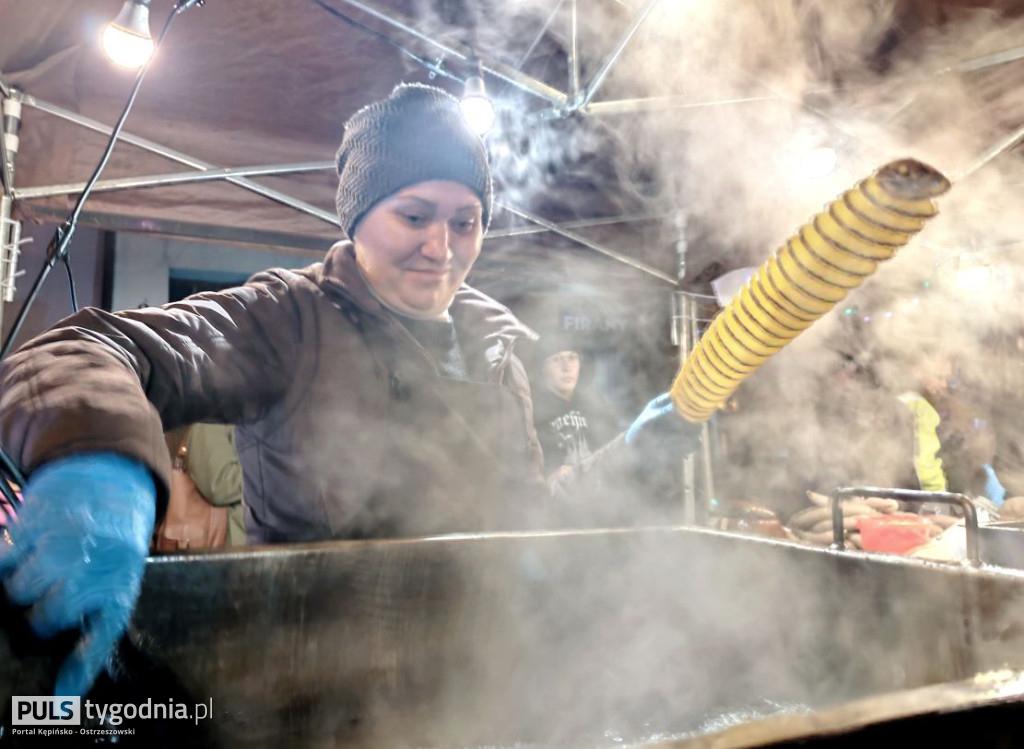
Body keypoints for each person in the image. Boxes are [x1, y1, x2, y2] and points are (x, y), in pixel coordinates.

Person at [0, 83, 699, 697]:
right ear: (357, 215)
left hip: (482, 688)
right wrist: (96, 459)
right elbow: (86, 348)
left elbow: (527, 525)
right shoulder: (287, 317)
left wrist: (629, 459)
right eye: (415, 214)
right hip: (310, 692)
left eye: (466, 220)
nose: (443, 247)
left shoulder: (499, 351)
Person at [532, 339, 617, 481]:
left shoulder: (595, 405)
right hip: (554, 498)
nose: (567, 367)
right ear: (543, 367)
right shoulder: (532, 410)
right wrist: (548, 480)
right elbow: (517, 472)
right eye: (556, 359)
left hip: (598, 494)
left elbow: (616, 457)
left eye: (572, 358)